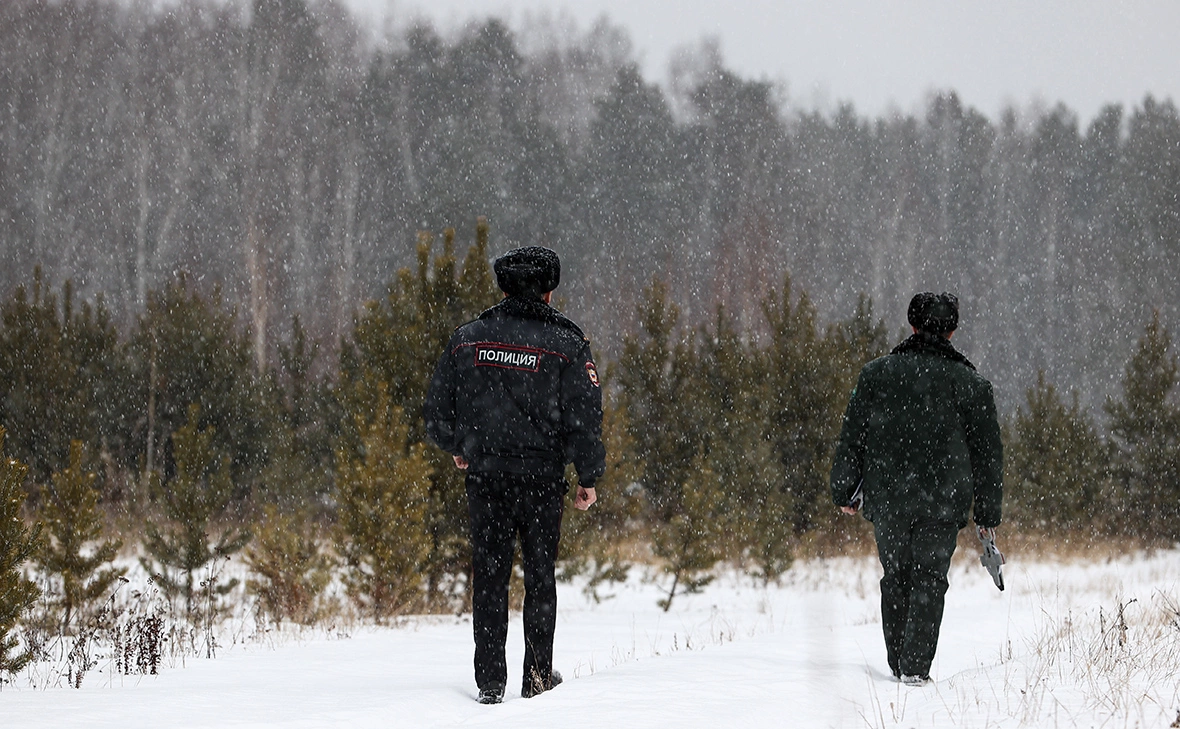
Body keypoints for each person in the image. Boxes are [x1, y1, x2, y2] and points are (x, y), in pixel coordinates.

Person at [424, 245, 605, 705]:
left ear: (503, 286)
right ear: (548, 291)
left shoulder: (469, 338)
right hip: (543, 482)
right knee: (540, 577)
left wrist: (461, 446)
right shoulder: (567, 343)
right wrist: (588, 476)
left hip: (487, 479)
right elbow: (584, 416)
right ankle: (538, 678)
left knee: (489, 577)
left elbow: (436, 412)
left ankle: (490, 682)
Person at [830, 292, 1003, 686]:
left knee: (896, 575)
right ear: (954, 330)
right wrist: (988, 514)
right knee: (929, 579)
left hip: (889, 498)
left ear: (912, 325)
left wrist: (844, 490)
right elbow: (988, 456)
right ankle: (913, 672)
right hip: (943, 503)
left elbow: (852, 436)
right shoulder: (973, 385)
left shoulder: (876, 374)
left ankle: (899, 667)